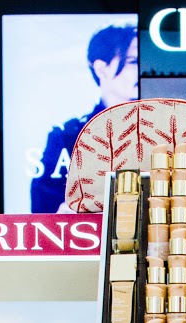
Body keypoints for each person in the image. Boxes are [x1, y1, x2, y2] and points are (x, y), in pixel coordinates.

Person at [29, 23, 139, 214]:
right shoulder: (67, 136)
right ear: (101, 68)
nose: (142, 69)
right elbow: (43, 211)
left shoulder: (159, 129)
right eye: (132, 61)